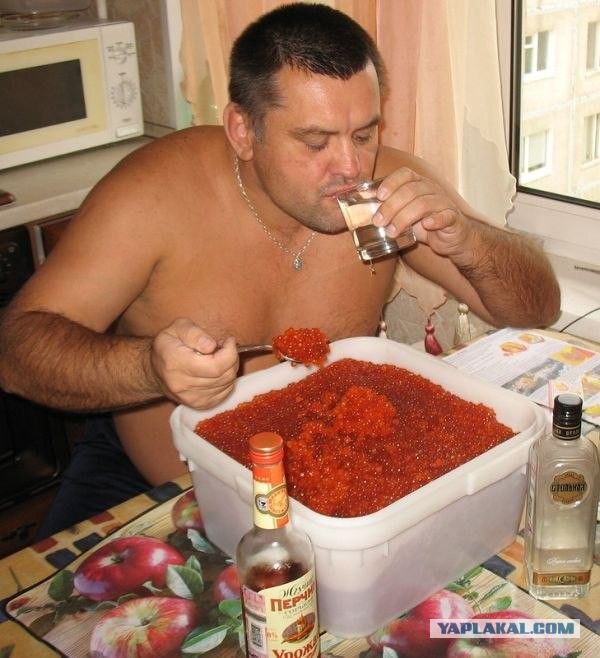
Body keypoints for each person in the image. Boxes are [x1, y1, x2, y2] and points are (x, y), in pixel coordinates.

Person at [0, 3, 560, 537]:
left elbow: (536, 308)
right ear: (243, 131)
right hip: (162, 488)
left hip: (335, 488)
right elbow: (16, 352)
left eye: (365, 134)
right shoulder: (153, 197)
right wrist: (148, 368)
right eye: (315, 141)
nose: (350, 167)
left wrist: (469, 242)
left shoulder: (385, 188)